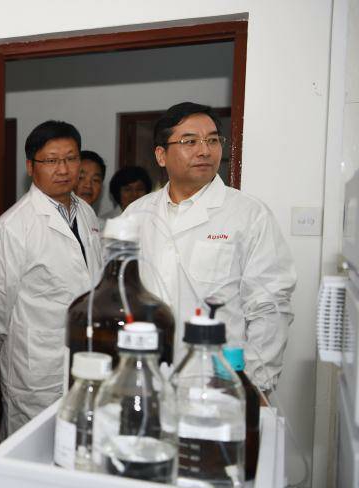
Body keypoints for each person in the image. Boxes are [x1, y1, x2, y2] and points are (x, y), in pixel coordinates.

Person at [124, 102, 296, 390]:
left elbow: (270, 307)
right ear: (161, 155)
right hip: (146, 375)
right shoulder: (135, 215)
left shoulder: (249, 214)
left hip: (219, 381)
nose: (204, 150)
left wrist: (252, 384)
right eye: (190, 141)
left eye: (213, 140)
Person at [0, 120, 103, 438]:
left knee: (82, 443)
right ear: (31, 167)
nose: (63, 169)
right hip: (36, 370)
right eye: (51, 160)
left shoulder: (86, 213)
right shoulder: (12, 227)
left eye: (71, 158)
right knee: (33, 448)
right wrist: (22, 342)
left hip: (86, 357)